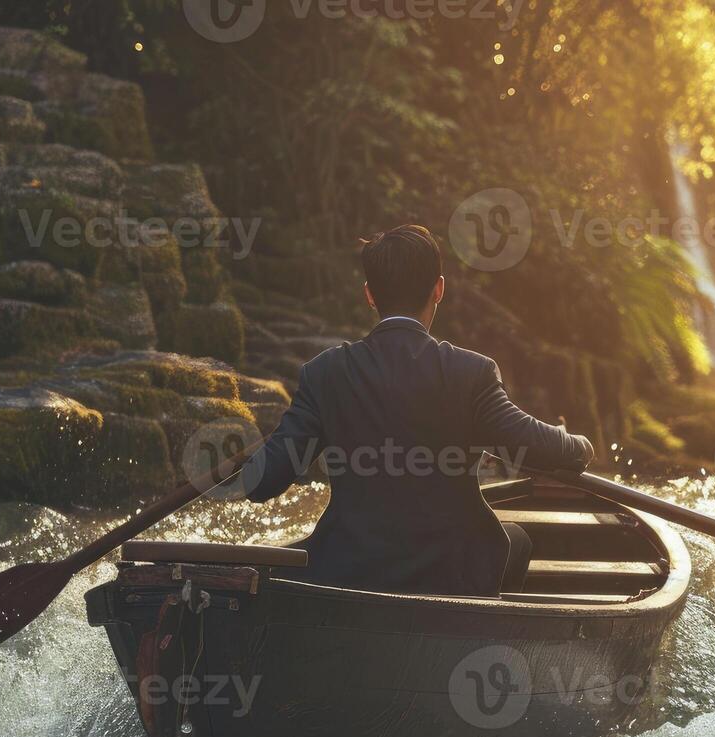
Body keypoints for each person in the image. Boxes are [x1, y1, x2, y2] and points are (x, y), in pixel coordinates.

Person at [240, 223, 595, 595]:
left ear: (370, 295)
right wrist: (581, 445)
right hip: (451, 576)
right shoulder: (472, 373)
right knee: (515, 541)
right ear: (438, 289)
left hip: (347, 574)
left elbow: (260, 483)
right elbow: (541, 447)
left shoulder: (322, 373)